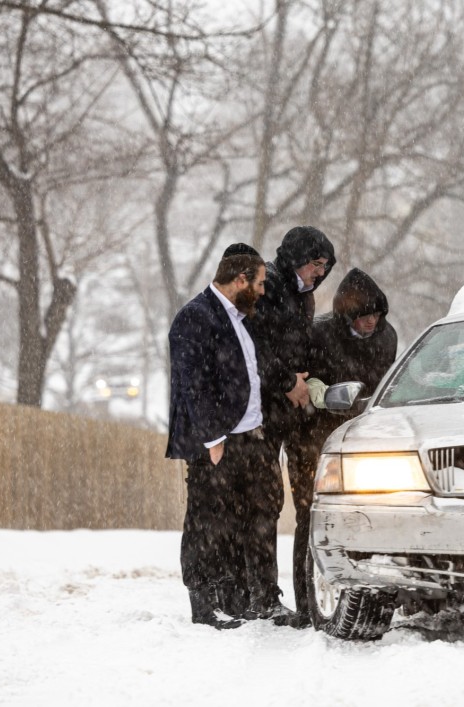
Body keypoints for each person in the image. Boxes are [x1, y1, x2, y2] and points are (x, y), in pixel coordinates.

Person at [166, 243, 280, 629]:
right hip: (214, 442)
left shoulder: (239, 318)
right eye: (259, 283)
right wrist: (213, 439)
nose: (262, 291)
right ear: (241, 279)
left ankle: (234, 599)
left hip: (246, 437)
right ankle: (204, 605)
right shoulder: (195, 317)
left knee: (235, 522)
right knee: (206, 522)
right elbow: (193, 384)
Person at [295, 268, 397, 620]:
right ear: (347, 314)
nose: (372, 322)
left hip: (364, 434)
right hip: (314, 435)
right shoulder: (319, 333)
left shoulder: (387, 336)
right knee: (310, 516)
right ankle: (306, 602)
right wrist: (319, 394)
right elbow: (303, 377)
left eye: (377, 315)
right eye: (364, 315)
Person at [247, 225, 335, 627]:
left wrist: (308, 381)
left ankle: (299, 599)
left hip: (291, 412)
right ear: (297, 258)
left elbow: (296, 349)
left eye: (325, 266)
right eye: (315, 263)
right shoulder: (267, 286)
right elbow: (256, 349)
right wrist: (287, 382)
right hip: (260, 412)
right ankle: (260, 595)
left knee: (300, 503)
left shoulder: (304, 296)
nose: (320, 272)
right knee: (263, 503)